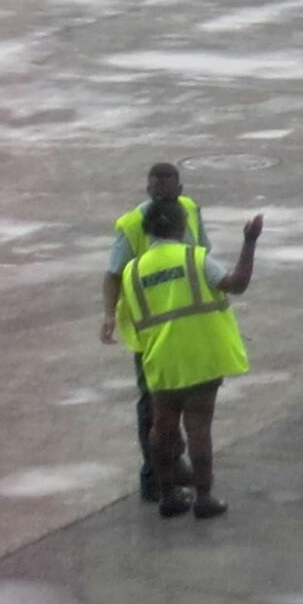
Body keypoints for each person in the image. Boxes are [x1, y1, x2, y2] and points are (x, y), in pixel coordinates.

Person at [120, 198, 260, 520]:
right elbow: (237, 284)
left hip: (160, 359)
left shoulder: (133, 270)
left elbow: (130, 318)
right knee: (198, 428)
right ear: (180, 226)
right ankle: (204, 497)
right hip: (200, 357)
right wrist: (249, 243)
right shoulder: (194, 258)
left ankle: (167, 494)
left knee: (162, 429)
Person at [101, 163, 205, 500]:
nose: (161, 193)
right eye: (155, 187)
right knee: (154, 403)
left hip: (184, 325)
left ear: (180, 189)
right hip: (149, 330)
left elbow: (201, 256)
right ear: (147, 190)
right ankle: (155, 476)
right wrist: (108, 315)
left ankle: (174, 465)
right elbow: (113, 273)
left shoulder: (189, 211)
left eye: (168, 187)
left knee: (181, 399)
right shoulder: (133, 224)